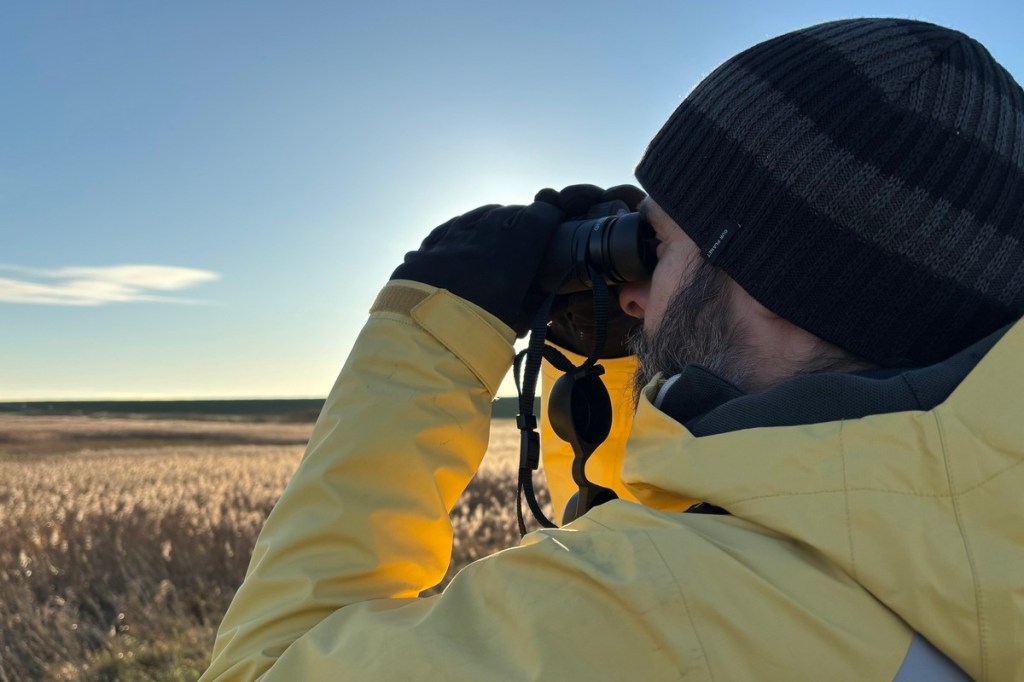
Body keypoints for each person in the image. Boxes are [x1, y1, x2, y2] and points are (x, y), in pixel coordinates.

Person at [202, 18, 1024, 681]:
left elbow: (266, 669)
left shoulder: (654, 617)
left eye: (656, 247)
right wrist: (619, 367)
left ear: (780, 276)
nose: (632, 295)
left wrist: (427, 330)